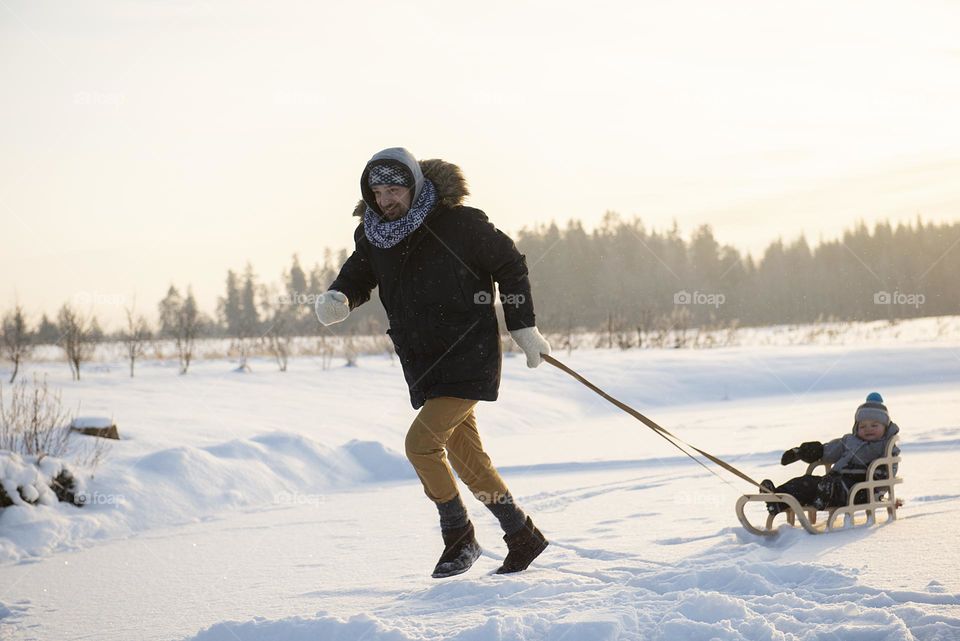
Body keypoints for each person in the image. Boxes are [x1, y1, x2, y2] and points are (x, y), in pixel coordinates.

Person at [315, 147, 552, 578]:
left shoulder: (459, 223)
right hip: (422, 360)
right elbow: (358, 274)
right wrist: (341, 297)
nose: (386, 199)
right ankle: (521, 534)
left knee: (421, 446)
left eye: (394, 188)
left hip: (468, 354)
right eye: (378, 191)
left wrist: (523, 326)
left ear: (415, 185)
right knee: (466, 458)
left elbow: (511, 265)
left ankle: (459, 535)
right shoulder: (373, 234)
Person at [762, 392, 900, 514]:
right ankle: (777, 499)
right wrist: (803, 452)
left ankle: (824, 498)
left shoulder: (886, 447)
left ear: (885, 427)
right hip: (832, 481)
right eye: (862, 426)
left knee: (831, 486)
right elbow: (828, 451)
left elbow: (889, 470)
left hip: (861, 490)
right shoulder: (849, 440)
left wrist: (878, 483)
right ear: (856, 427)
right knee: (807, 483)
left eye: (874, 425)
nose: (868, 429)